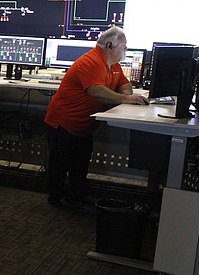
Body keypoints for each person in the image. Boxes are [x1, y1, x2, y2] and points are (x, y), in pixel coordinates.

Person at [44, 26, 149, 208]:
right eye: (123, 46)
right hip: (64, 122)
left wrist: (126, 93)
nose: (125, 50)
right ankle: (56, 198)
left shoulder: (113, 64)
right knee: (59, 165)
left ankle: (77, 195)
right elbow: (96, 91)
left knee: (80, 164)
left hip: (84, 125)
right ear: (109, 45)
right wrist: (126, 98)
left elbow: (125, 84)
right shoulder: (91, 62)